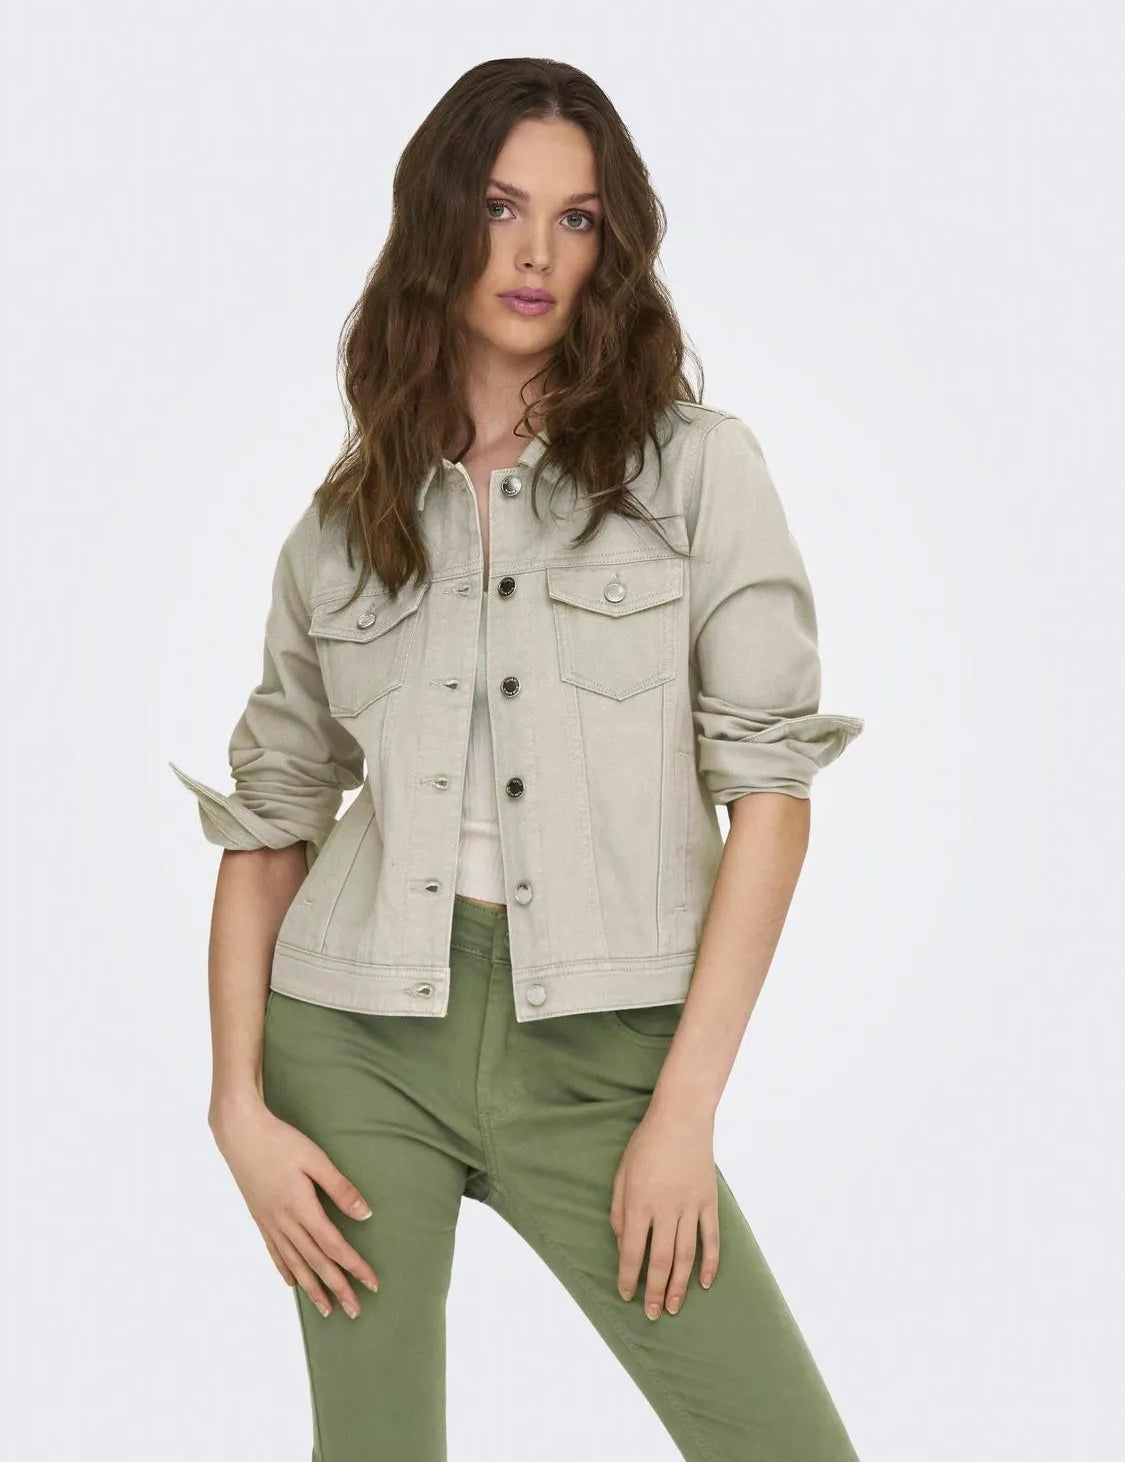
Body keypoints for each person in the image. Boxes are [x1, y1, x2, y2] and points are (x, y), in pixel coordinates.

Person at [170, 56, 866, 1462]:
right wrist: (237, 1105)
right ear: (440, 222)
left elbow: (770, 796)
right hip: (356, 1041)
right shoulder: (342, 523)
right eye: (500, 208)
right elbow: (273, 819)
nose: (536, 251)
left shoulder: (694, 472)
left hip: (607, 1058)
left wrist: (681, 1112)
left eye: (576, 217)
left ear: (612, 244)